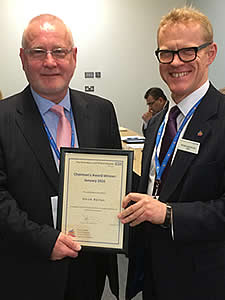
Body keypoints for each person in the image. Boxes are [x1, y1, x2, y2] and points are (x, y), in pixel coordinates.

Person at [0, 14, 121, 300]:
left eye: (59, 51)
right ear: (22, 58)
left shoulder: (102, 111)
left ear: (74, 56)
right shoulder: (3, 118)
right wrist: (44, 240)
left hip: (90, 266)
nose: (50, 62)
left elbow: (117, 181)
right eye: (38, 52)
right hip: (28, 268)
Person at [118, 6, 225, 300]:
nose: (176, 62)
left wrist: (168, 214)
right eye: (166, 53)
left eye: (188, 51)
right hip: (152, 271)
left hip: (202, 280)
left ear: (210, 53)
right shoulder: (157, 122)